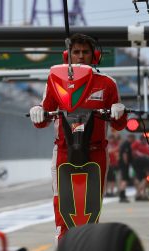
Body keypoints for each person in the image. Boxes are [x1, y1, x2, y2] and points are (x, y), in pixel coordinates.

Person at [28, 33, 127, 240]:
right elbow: (42, 119)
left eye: (85, 52)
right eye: (76, 52)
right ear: (68, 56)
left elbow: (119, 124)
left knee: (92, 208)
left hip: (96, 153)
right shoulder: (55, 79)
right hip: (64, 151)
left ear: (95, 56)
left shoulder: (107, 83)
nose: (81, 56)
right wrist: (37, 110)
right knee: (62, 205)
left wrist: (120, 111)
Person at [118, 133, 135, 203]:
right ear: (130, 138)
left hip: (123, 165)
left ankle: (122, 195)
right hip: (124, 165)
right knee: (125, 180)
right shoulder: (126, 144)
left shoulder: (125, 144)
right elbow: (125, 154)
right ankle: (122, 196)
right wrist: (127, 163)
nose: (133, 140)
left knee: (123, 180)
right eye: (133, 139)